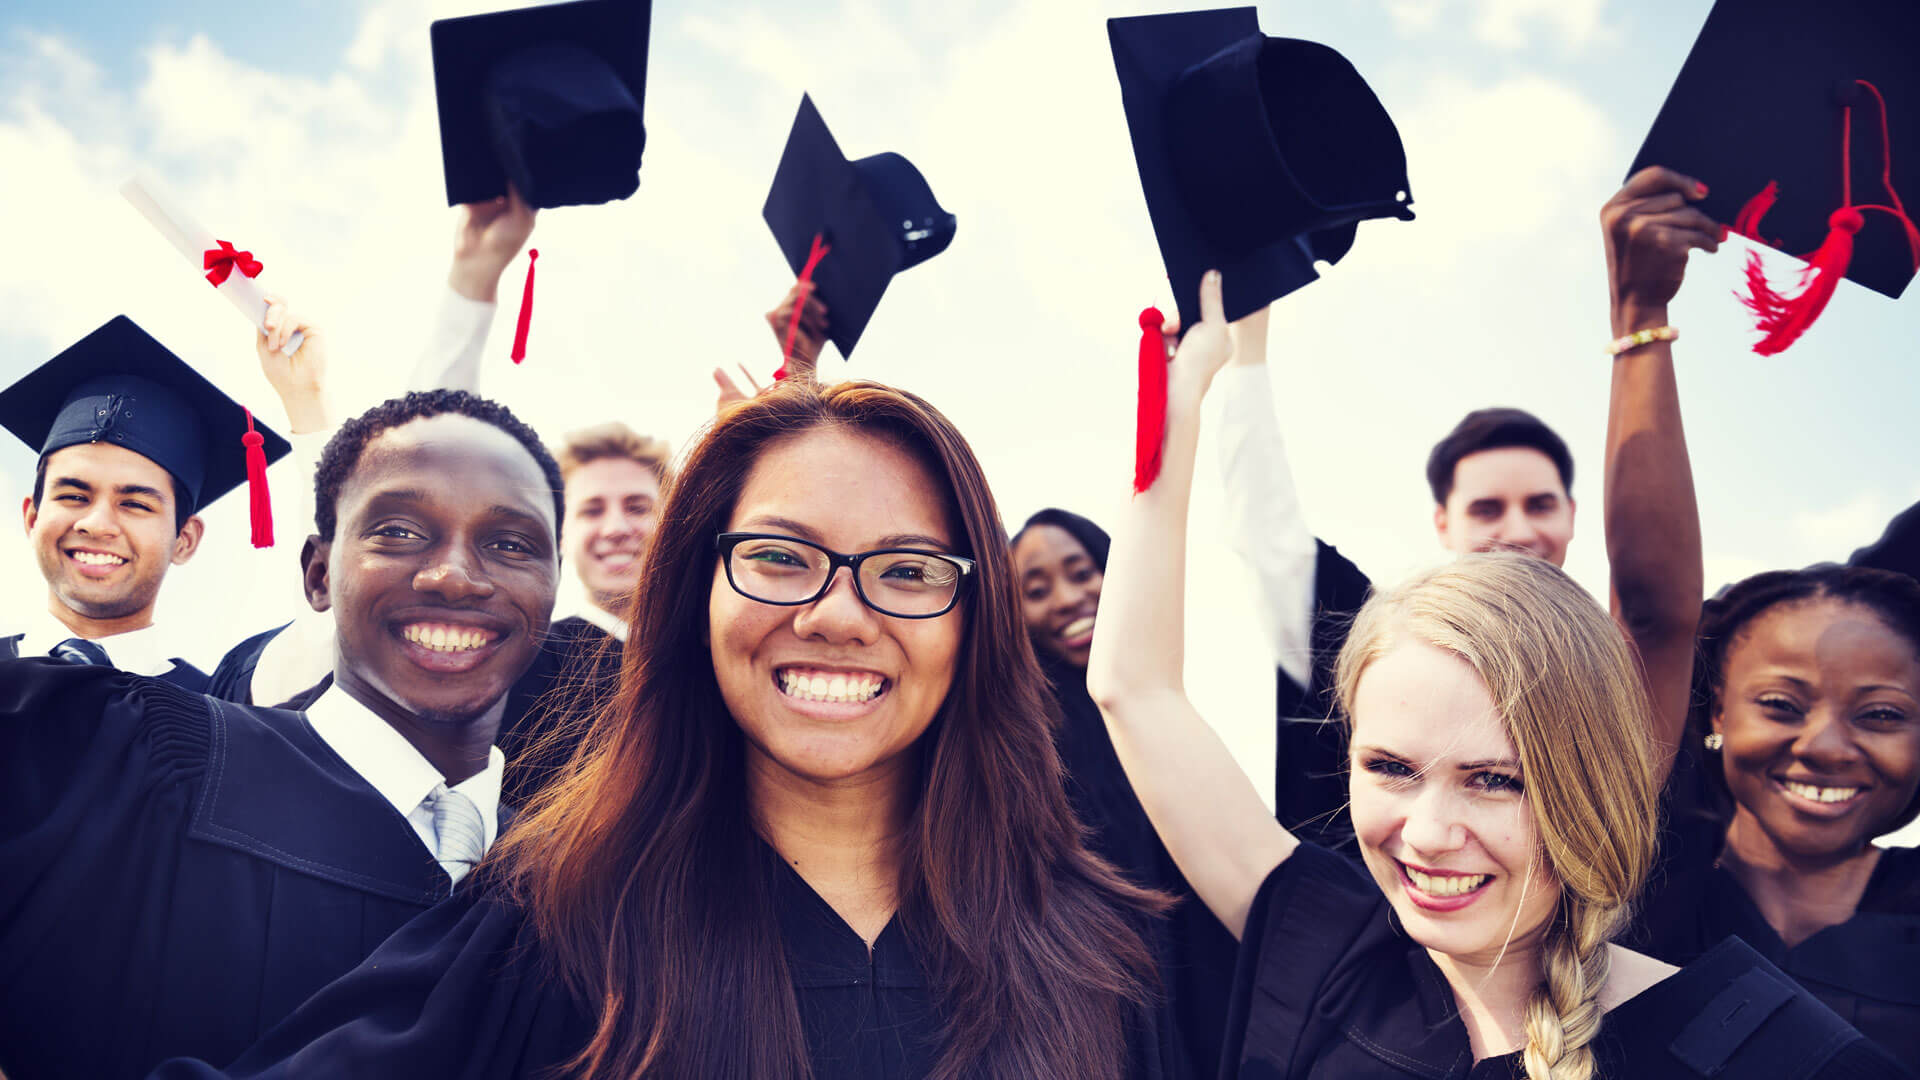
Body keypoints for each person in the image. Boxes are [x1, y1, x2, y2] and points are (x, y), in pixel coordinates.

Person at [153, 378, 1176, 1080]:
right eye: (781, 556)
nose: (837, 614)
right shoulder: (558, 924)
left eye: (908, 571)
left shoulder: (1099, 951)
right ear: (696, 592)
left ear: (975, 621)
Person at [1087, 267, 1908, 1078]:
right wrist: (1187, 394)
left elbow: (1658, 611)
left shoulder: (1764, 1053)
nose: (1430, 833)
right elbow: (1134, 688)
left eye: (1496, 781)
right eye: (1390, 768)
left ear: (1598, 783)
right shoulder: (1329, 952)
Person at [0, 387, 565, 1080]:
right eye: (398, 530)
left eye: (510, 543)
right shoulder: (138, 763)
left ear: (554, 583)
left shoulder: (577, 885)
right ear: (318, 573)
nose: (453, 574)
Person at [1224, 166, 1706, 850]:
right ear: (1443, 524)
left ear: (1573, 515)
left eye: (1539, 505)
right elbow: (1265, 536)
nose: (1517, 531)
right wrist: (1244, 342)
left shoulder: (1609, 675)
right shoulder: (1373, 644)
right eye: (1487, 509)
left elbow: (1656, 612)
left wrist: (1642, 318)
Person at [1629, 564, 1920, 1061]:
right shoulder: (1639, 903)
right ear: (1719, 710)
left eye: (1882, 715)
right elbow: (1653, 613)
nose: (1825, 748)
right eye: (1781, 705)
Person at [1012, 507, 1238, 1080]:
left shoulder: (1174, 708)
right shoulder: (1021, 744)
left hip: (1207, 984)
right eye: (1035, 589)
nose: (1065, 598)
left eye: (1082, 572)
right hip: (1097, 998)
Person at [0, 316, 299, 689]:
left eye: (136, 504)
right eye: (74, 496)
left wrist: (309, 398)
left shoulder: (222, 719)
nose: (96, 523)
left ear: (184, 539)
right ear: (31, 516)